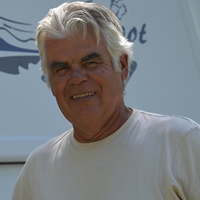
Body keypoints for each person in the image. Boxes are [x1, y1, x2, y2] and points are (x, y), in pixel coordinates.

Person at [12, 1, 200, 200]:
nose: (77, 78)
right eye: (61, 68)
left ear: (122, 65)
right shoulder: (36, 171)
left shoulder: (179, 144)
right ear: (50, 81)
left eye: (90, 62)